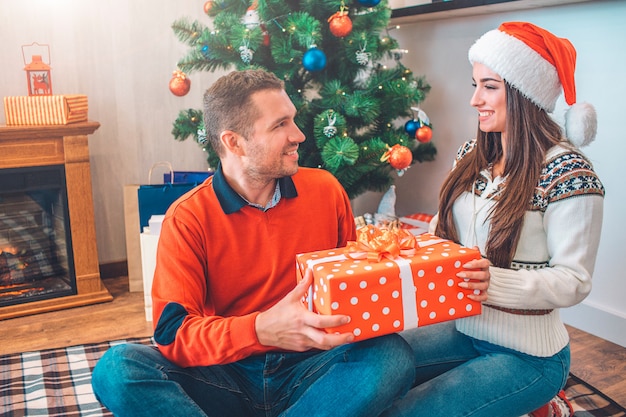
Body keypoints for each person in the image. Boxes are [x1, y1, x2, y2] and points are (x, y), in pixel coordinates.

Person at [91, 68, 481, 417]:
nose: (299, 135)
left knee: (391, 357)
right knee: (118, 368)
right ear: (235, 142)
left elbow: (352, 286)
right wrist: (260, 330)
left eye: (293, 120)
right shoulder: (188, 217)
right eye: (281, 125)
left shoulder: (325, 191)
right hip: (228, 372)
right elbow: (173, 336)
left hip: (312, 367)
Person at [385, 22, 605, 417]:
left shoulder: (570, 173)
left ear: (523, 93)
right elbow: (444, 229)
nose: (474, 100)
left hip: (531, 356)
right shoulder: (473, 155)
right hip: (463, 329)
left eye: (489, 86)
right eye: (475, 84)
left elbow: (574, 281)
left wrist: (492, 281)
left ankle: (542, 402)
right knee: (375, 374)